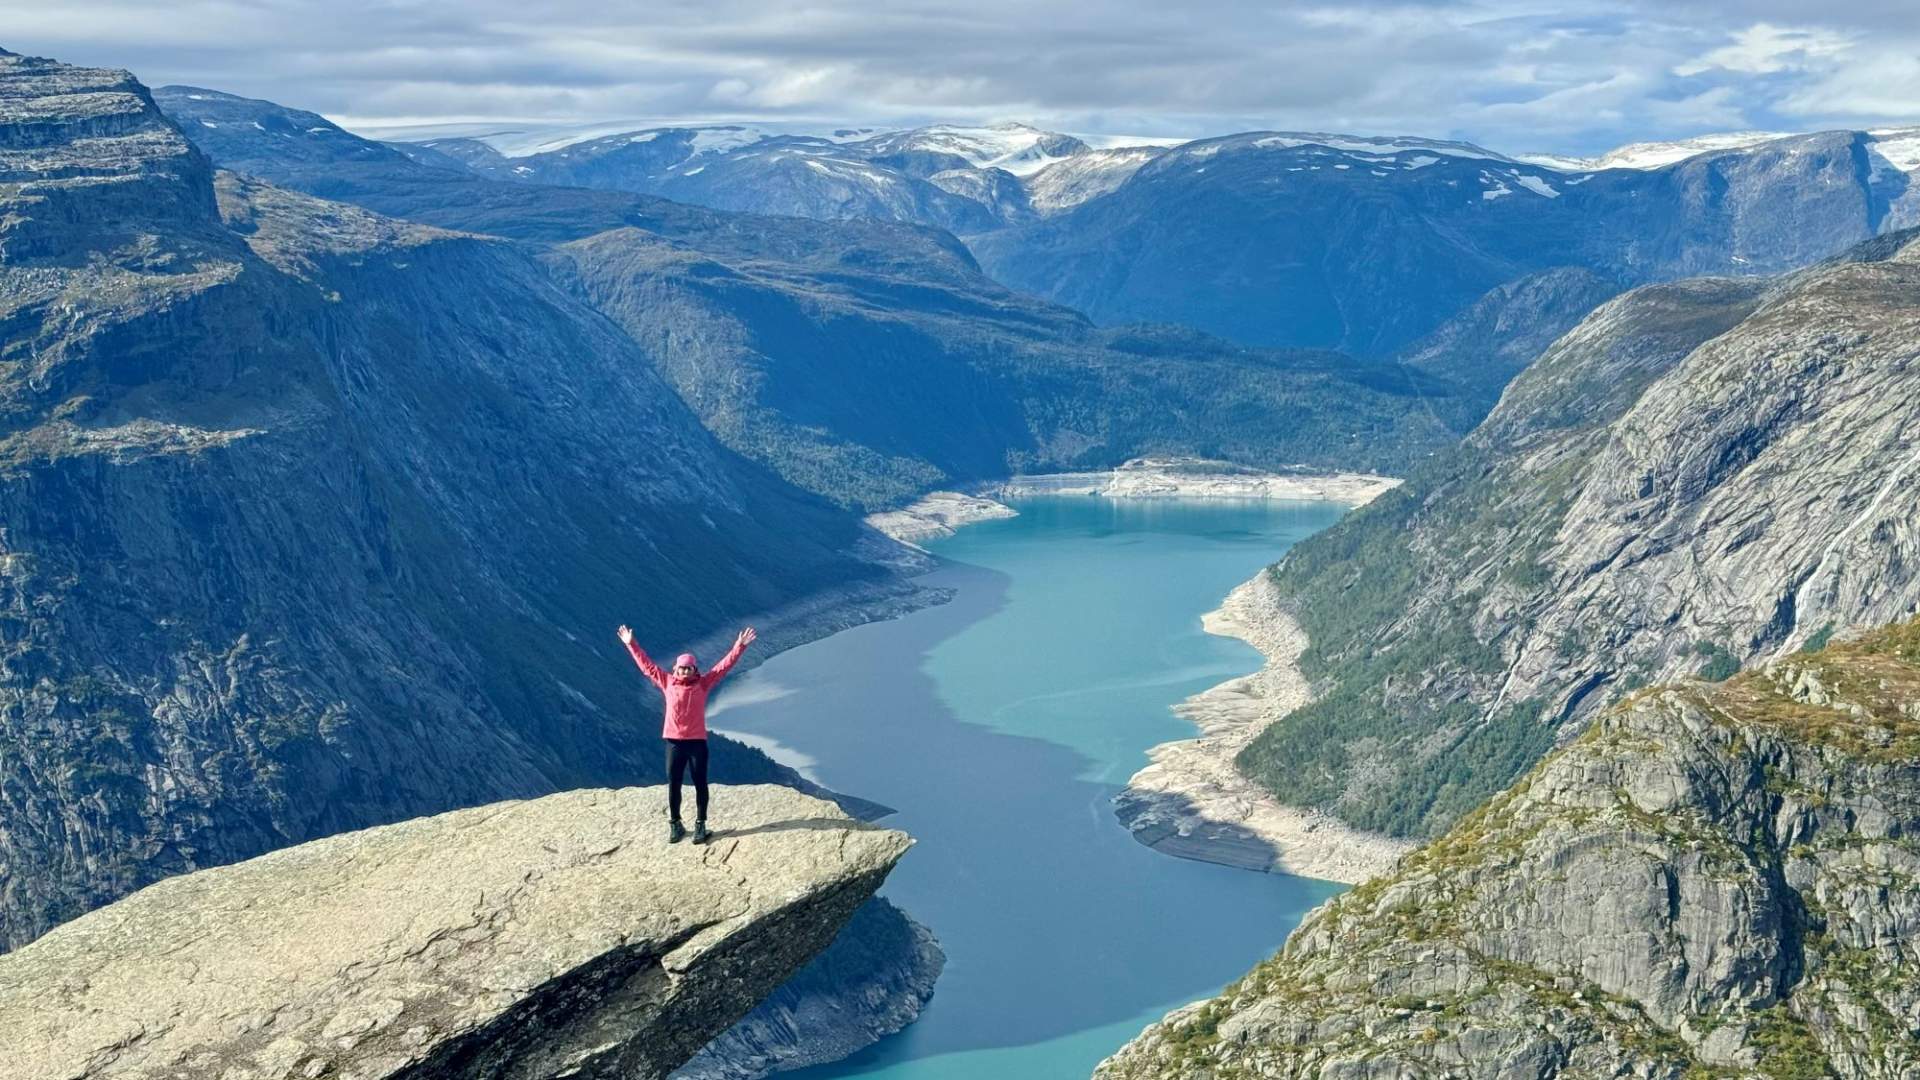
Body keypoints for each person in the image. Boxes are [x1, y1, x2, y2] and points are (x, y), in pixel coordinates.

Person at [617, 623, 757, 844]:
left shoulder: (703, 684)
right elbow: (646, 666)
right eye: (682, 668)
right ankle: (675, 824)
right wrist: (631, 644)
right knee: (674, 783)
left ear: (694, 670)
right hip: (674, 743)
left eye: (688, 668)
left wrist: (739, 646)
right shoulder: (666, 682)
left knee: (700, 783)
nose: (684, 671)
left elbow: (724, 666)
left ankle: (700, 825)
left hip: (696, 743)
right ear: (676, 668)